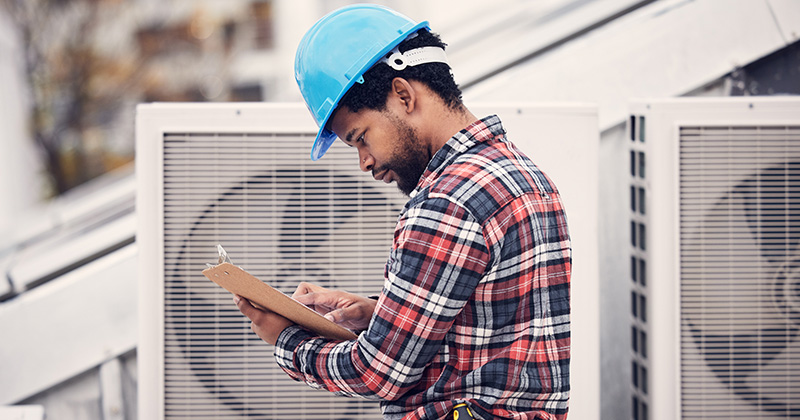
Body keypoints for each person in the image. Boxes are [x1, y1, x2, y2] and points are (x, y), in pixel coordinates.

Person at [234, 4, 571, 419]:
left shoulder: (447, 202)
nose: (364, 162)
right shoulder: (522, 174)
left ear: (404, 95)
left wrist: (286, 338)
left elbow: (378, 372)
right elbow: (494, 323)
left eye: (360, 138)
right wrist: (382, 313)